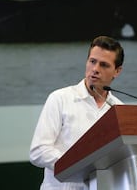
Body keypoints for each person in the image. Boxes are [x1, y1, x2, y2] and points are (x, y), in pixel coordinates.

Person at [29, 35, 125, 190]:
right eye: (92, 61)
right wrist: (80, 165)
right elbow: (38, 151)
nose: (95, 69)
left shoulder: (120, 110)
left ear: (117, 71)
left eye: (104, 65)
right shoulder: (60, 98)